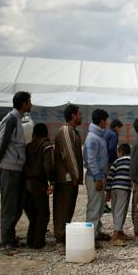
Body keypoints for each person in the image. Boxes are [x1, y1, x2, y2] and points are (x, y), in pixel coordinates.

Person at [0, 91, 32, 254]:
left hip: (16, 168)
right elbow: (0, 143)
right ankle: (6, 243)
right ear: (23, 103)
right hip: (8, 168)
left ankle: (10, 237)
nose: (31, 104)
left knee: (17, 206)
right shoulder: (10, 119)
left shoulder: (17, 119)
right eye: (29, 101)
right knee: (9, 206)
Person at [53, 104, 83, 245]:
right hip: (66, 178)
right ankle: (60, 236)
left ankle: (63, 235)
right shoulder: (66, 130)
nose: (81, 116)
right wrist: (75, 176)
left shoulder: (71, 131)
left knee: (68, 208)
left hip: (70, 178)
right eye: (79, 114)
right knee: (63, 208)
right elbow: (69, 155)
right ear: (73, 115)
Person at [24, 123, 55, 249]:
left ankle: (30, 240)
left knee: (33, 214)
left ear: (34, 134)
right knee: (43, 213)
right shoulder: (46, 146)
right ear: (47, 134)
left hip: (26, 182)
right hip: (38, 183)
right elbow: (49, 167)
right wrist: (52, 182)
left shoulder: (28, 146)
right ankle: (38, 242)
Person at [83, 109, 110, 241]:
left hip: (99, 175)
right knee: (94, 207)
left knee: (99, 206)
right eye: (106, 120)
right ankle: (90, 238)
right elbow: (91, 159)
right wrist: (97, 178)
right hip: (95, 176)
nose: (107, 123)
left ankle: (96, 232)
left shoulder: (98, 135)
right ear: (101, 121)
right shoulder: (92, 138)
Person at [105, 143, 131, 247]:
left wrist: (108, 192)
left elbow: (110, 176)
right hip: (124, 188)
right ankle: (115, 237)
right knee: (121, 210)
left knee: (115, 210)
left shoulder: (116, 161)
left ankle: (120, 232)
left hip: (114, 188)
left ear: (120, 152)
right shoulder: (131, 161)